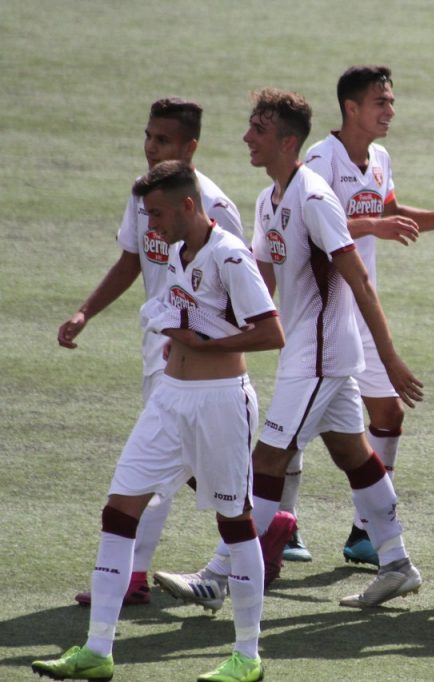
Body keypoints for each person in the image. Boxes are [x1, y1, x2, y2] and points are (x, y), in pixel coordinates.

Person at [154, 88, 424, 610]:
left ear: (288, 140)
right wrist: (207, 333)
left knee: (267, 460)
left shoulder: (314, 197)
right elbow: (263, 284)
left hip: (321, 358)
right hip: (311, 355)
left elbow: (359, 279)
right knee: (355, 455)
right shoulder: (267, 199)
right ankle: (397, 563)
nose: (246, 137)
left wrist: (389, 358)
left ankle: (219, 575)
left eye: (258, 129)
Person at [32, 160, 284, 682]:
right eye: (146, 215)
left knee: (234, 523)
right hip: (170, 399)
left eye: (158, 214)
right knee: (120, 509)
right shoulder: (174, 251)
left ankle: (248, 656)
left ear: (189, 206)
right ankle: (98, 649)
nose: (151, 226)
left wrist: (208, 342)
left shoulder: (230, 255)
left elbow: (270, 332)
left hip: (220, 401)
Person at [58, 97, 246, 608]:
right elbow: (131, 259)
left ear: (190, 146)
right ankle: (270, 526)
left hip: (199, 370)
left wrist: (205, 345)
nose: (149, 147)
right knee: (188, 470)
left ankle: (134, 578)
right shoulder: (146, 197)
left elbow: (242, 293)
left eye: (162, 140)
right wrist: (85, 312)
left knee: (160, 471)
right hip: (157, 354)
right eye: (147, 136)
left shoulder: (216, 208)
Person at [287, 65, 434, 565]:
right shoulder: (321, 158)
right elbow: (316, 224)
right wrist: (376, 226)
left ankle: (364, 530)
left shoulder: (379, 157)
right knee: (296, 424)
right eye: (380, 102)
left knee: (387, 414)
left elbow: (391, 209)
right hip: (324, 308)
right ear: (352, 108)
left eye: (391, 101)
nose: (390, 111)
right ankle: (285, 523)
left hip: (362, 304)